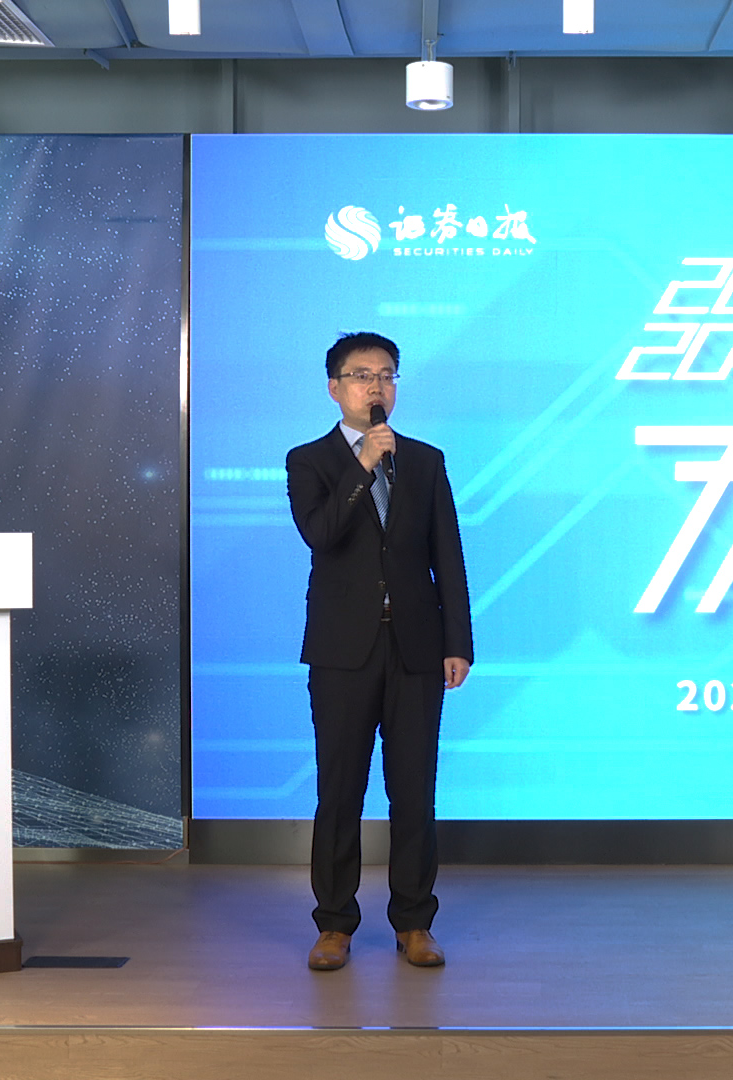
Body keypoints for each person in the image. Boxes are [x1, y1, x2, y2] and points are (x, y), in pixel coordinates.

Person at [285, 331, 473, 971]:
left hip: (416, 648)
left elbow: (448, 556)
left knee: (414, 790)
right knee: (340, 790)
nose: (377, 386)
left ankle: (414, 922)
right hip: (343, 651)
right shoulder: (310, 461)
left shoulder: (425, 461)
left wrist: (457, 642)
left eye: (387, 375)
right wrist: (362, 465)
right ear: (334, 388)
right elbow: (322, 534)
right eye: (362, 375)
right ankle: (334, 925)